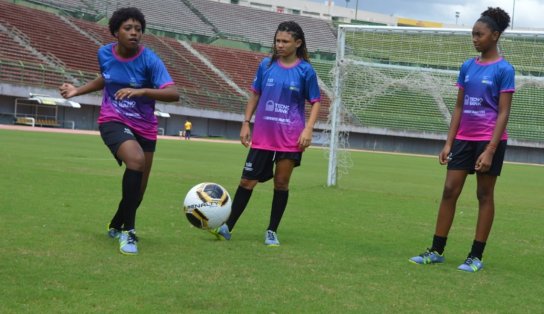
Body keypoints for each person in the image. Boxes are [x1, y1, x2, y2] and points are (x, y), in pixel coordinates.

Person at [59, 7, 179, 255]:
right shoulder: (104, 53)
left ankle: (116, 223)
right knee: (135, 161)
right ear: (115, 32)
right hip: (113, 119)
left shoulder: (150, 60)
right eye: (128, 28)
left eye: (138, 29)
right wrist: (76, 91)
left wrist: (143, 91)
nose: (134, 33)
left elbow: (173, 93)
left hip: (145, 127)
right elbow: (107, 78)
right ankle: (129, 233)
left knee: (139, 193)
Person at [409, 7, 515, 272]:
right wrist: (448, 142)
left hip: (489, 140)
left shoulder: (504, 69)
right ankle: (436, 250)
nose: (475, 39)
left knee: (484, 194)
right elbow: (458, 107)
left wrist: (490, 149)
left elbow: (504, 111)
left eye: (480, 34)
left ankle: (475, 256)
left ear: (495, 35)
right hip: (463, 139)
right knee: (449, 191)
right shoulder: (467, 66)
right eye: (473, 34)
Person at [210, 21, 321, 246]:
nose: (279, 45)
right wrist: (245, 123)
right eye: (277, 41)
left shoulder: (305, 70)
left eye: (285, 41)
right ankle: (227, 227)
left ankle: (271, 231)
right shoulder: (266, 65)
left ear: (297, 43)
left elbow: (316, 102)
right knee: (246, 181)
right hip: (262, 136)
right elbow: (254, 95)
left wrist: (308, 128)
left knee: (281, 183)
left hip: (290, 137)